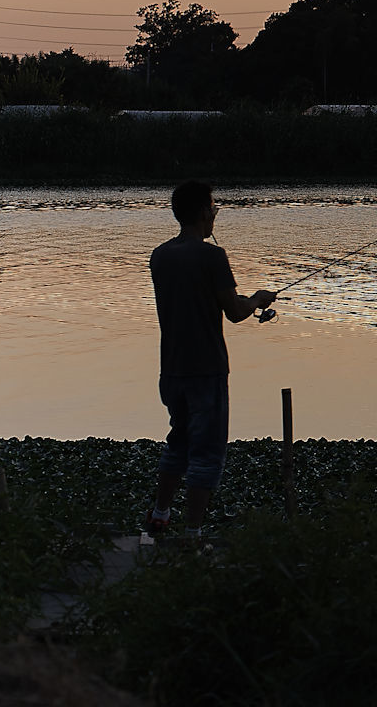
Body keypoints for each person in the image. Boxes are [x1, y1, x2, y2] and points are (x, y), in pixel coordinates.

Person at [144, 181, 277, 540]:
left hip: (171, 369)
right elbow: (234, 312)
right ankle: (192, 533)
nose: (216, 214)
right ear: (204, 212)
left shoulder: (159, 256)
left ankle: (160, 514)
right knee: (207, 452)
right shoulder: (212, 257)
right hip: (207, 369)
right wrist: (258, 299)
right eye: (215, 209)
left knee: (179, 441)